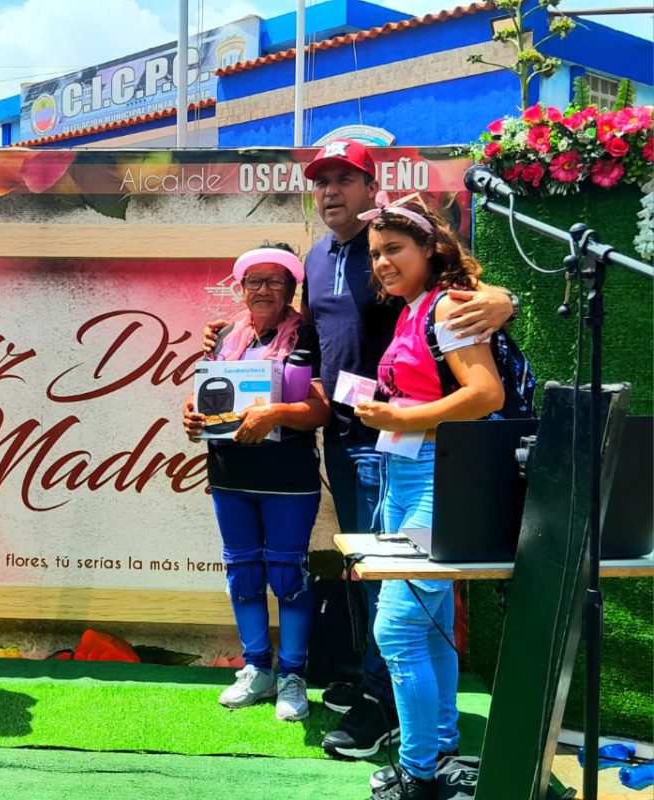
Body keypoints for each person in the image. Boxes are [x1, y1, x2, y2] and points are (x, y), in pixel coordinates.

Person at [204, 140, 516, 759]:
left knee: (396, 594)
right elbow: (310, 347)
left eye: (345, 179)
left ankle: (385, 710)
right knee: (369, 575)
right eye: (321, 182)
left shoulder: (401, 249)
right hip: (347, 438)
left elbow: (462, 294)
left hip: (411, 444)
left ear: (372, 188)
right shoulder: (317, 258)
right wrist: (233, 338)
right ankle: (386, 695)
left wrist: (503, 300)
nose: (330, 192)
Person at [353, 196, 504, 800]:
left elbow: (485, 394)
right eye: (375, 255)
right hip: (410, 481)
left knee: (398, 633)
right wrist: (391, 414)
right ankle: (438, 752)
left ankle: (418, 774)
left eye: (394, 250)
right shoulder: (411, 310)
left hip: (440, 484)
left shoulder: (444, 307)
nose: (383, 263)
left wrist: (399, 415)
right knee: (433, 627)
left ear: (429, 251)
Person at [182, 245, 329, 722]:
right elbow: (207, 391)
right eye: (254, 281)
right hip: (230, 474)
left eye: (276, 281)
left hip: (288, 476)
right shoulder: (223, 336)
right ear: (241, 287)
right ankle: (257, 669)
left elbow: (321, 409)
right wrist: (192, 414)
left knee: (288, 575)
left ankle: (292, 676)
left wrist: (277, 414)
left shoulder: (309, 333)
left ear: (291, 288)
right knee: (243, 574)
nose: (264, 290)